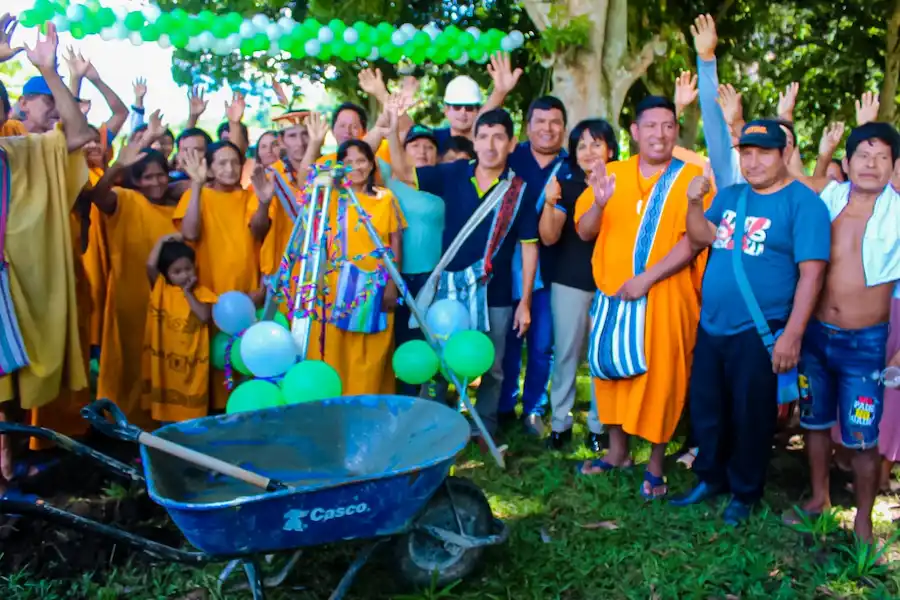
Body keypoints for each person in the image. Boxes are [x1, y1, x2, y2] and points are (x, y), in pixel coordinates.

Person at [674, 120, 830, 525]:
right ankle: (711, 477)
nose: (753, 161)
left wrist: (792, 335)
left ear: (784, 155)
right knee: (708, 408)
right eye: (746, 152)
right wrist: (694, 203)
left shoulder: (804, 203)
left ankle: (744, 491)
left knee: (751, 414)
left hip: (760, 331)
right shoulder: (730, 196)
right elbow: (699, 238)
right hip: (713, 326)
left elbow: (812, 276)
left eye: (764, 152)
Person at [574, 96, 711, 500]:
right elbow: (584, 231)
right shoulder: (610, 174)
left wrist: (647, 279)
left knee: (661, 378)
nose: (660, 134)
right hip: (615, 295)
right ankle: (617, 453)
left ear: (677, 130)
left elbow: (695, 242)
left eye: (668, 125)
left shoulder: (693, 178)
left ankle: (654, 464)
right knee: (613, 371)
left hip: (667, 296)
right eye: (651, 126)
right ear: (634, 132)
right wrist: (599, 204)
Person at [388, 107, 539, 438]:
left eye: (498, 137)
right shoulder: (453, 173)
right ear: (474, 141)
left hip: (496, 291)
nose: (489, 144)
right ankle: (437, 424)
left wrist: (525, 301)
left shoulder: (521, 190)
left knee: (494, 365)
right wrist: (390, 129)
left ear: (512, 143)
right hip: (450, 289)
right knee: (441, 359)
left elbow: (529, 245)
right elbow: (402, 172)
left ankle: (484, 426)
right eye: (482, 136)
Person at [788, 122, 900, 542]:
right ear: (847, 163)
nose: (871, 165)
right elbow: (787, 180)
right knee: (815, 423)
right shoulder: (829, 197)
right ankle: (819, 500)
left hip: (865, 343)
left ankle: (864, 520)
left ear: (893, 166)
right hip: (816, 335)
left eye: (882, 157)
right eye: (863, 156)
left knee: (862, 437)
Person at [0, 19, 95, 486]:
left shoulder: (26, 150)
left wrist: (52, 73)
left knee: (16, 389)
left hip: (22, 288)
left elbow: (78, 134)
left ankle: (11, 476)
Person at [86, 126, 178, 428]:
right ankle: (122, 429)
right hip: (131, 298)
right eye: (147, 176)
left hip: (168, 303)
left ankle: (161, 425)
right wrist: (118, 166)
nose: (156, 182)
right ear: (135, 180)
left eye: (161, 175)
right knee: (129, 364)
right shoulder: (124, 200)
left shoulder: (177, 206)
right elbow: (98, 196)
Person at [541, 118, 618, 451]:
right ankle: (560, 423)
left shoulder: (624, 184)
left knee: (601, 357)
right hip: (569, 281)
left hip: (611, 283)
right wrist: (550, 202)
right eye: (581, 145)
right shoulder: (565, 183)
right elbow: (548, 236)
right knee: (566, 355)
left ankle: (599, 427)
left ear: (611, 149)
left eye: (596, 143)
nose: (588, 151)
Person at [306, 139, 405, 394]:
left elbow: (395, 242)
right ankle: (337, 411)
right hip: (336, 288)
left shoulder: (386, 198)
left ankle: (370, 412)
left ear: (372, 164)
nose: (355, 167)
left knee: (371, 355)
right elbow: (312, 173)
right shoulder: (332, 198)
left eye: (361, 160)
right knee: (337, 353)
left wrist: (393, 286)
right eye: (347, 162)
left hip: (376, 285)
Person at [176, 140, 266, 409]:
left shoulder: (250, 195)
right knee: (212, 358)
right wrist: (195, 185)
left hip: (246, 289)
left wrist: (263, 202)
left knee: (244, 356)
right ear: (210, 169)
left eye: (235, 162)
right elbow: (189, 234)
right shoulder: (198, 195)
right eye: (222, 163)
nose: (230, 168)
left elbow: (259, 230)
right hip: (210, 289)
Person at [499, 96, 568, 436]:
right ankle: (502, 404)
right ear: (528, 126)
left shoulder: (571, 166)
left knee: (542, 343)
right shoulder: (510, 159)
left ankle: (534, 409)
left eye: (555, 122)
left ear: (564, 128)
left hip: (552, 269)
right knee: (507, 339)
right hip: (504, 268)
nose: (547, 128)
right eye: (540, 121)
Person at [382, 121, 445, 395]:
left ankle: (436, 404)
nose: (422, 151)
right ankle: (404, 401)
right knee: (402, 343)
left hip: (434, 278)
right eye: (415, 146)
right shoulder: (388, 180)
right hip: (397, 278)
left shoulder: (444, 184)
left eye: (429, 147)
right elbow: (358, 158)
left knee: (434, 341)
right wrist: (389, 116)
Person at [142, 234, 217, 423]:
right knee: (165, 413)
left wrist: (188, 293)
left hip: (192, 365)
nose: (184, 274)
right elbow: (150, 265)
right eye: (177, 271)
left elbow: (204, 315)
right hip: (166, 366)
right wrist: (161, 241)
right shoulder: (161, 288)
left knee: (191, 418)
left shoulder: (202, 293)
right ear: (166, 273)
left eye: (188, 269)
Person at [431, 53, 521, 153]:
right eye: (457, 107)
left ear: (478, 110)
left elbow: (481, 121)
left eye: (469, 108)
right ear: (446, 110)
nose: (463, 112)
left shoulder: (487, 143)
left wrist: (500, 92)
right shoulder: (431, 140)